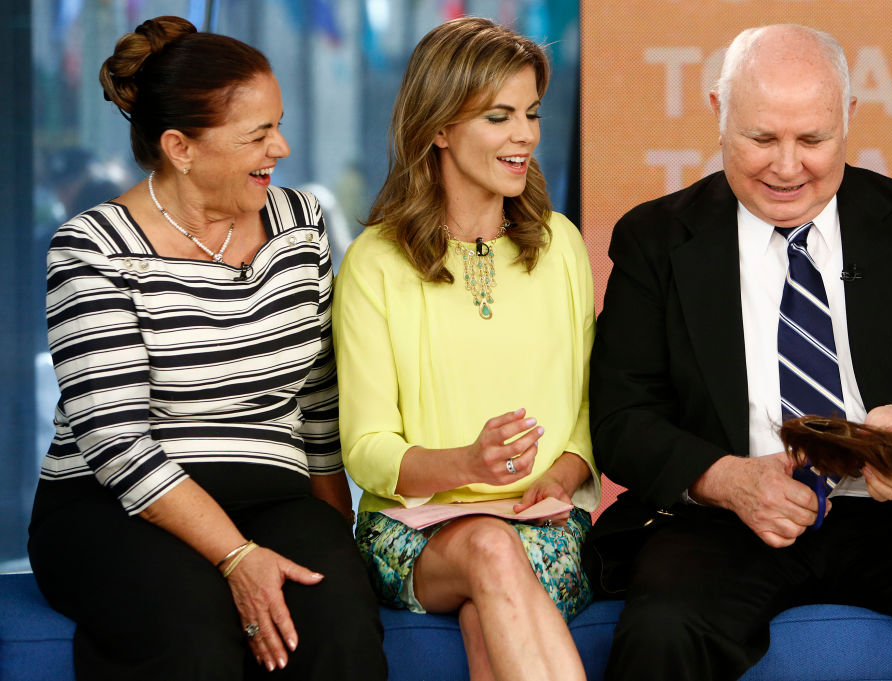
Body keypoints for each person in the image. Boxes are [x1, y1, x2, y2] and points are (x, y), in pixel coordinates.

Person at [585, 23, 892, 681]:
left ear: (848, 118)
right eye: (762, 138)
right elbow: (621, 417)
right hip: (724, 516)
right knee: (662, 633)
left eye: (812, 140)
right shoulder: (653, 238)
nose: (786, 166)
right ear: (718, 113)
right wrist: (725, 478)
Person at [27, 16, 386, 680]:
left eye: (277, 124)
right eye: (257, 134)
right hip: (115, 504)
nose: (280, 146)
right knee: (191, 626)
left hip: (274, 492)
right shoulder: (93, 247)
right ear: (180, 147)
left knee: (337, 620)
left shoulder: (298, 222)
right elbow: (117, 442)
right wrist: (236, 556)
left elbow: (316, 397)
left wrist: (341, 534)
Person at [334, 16, 600, 681]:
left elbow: (591, 411)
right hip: (412, 532)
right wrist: (466, 462)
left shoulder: (561, 244)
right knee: (487, 546)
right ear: (440, 128)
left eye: (532, 114)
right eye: (499, 116)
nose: (526, 136)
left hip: (546, 525)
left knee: (491, 600)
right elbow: (366, 449)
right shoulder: (375, 261)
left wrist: (557, 477)